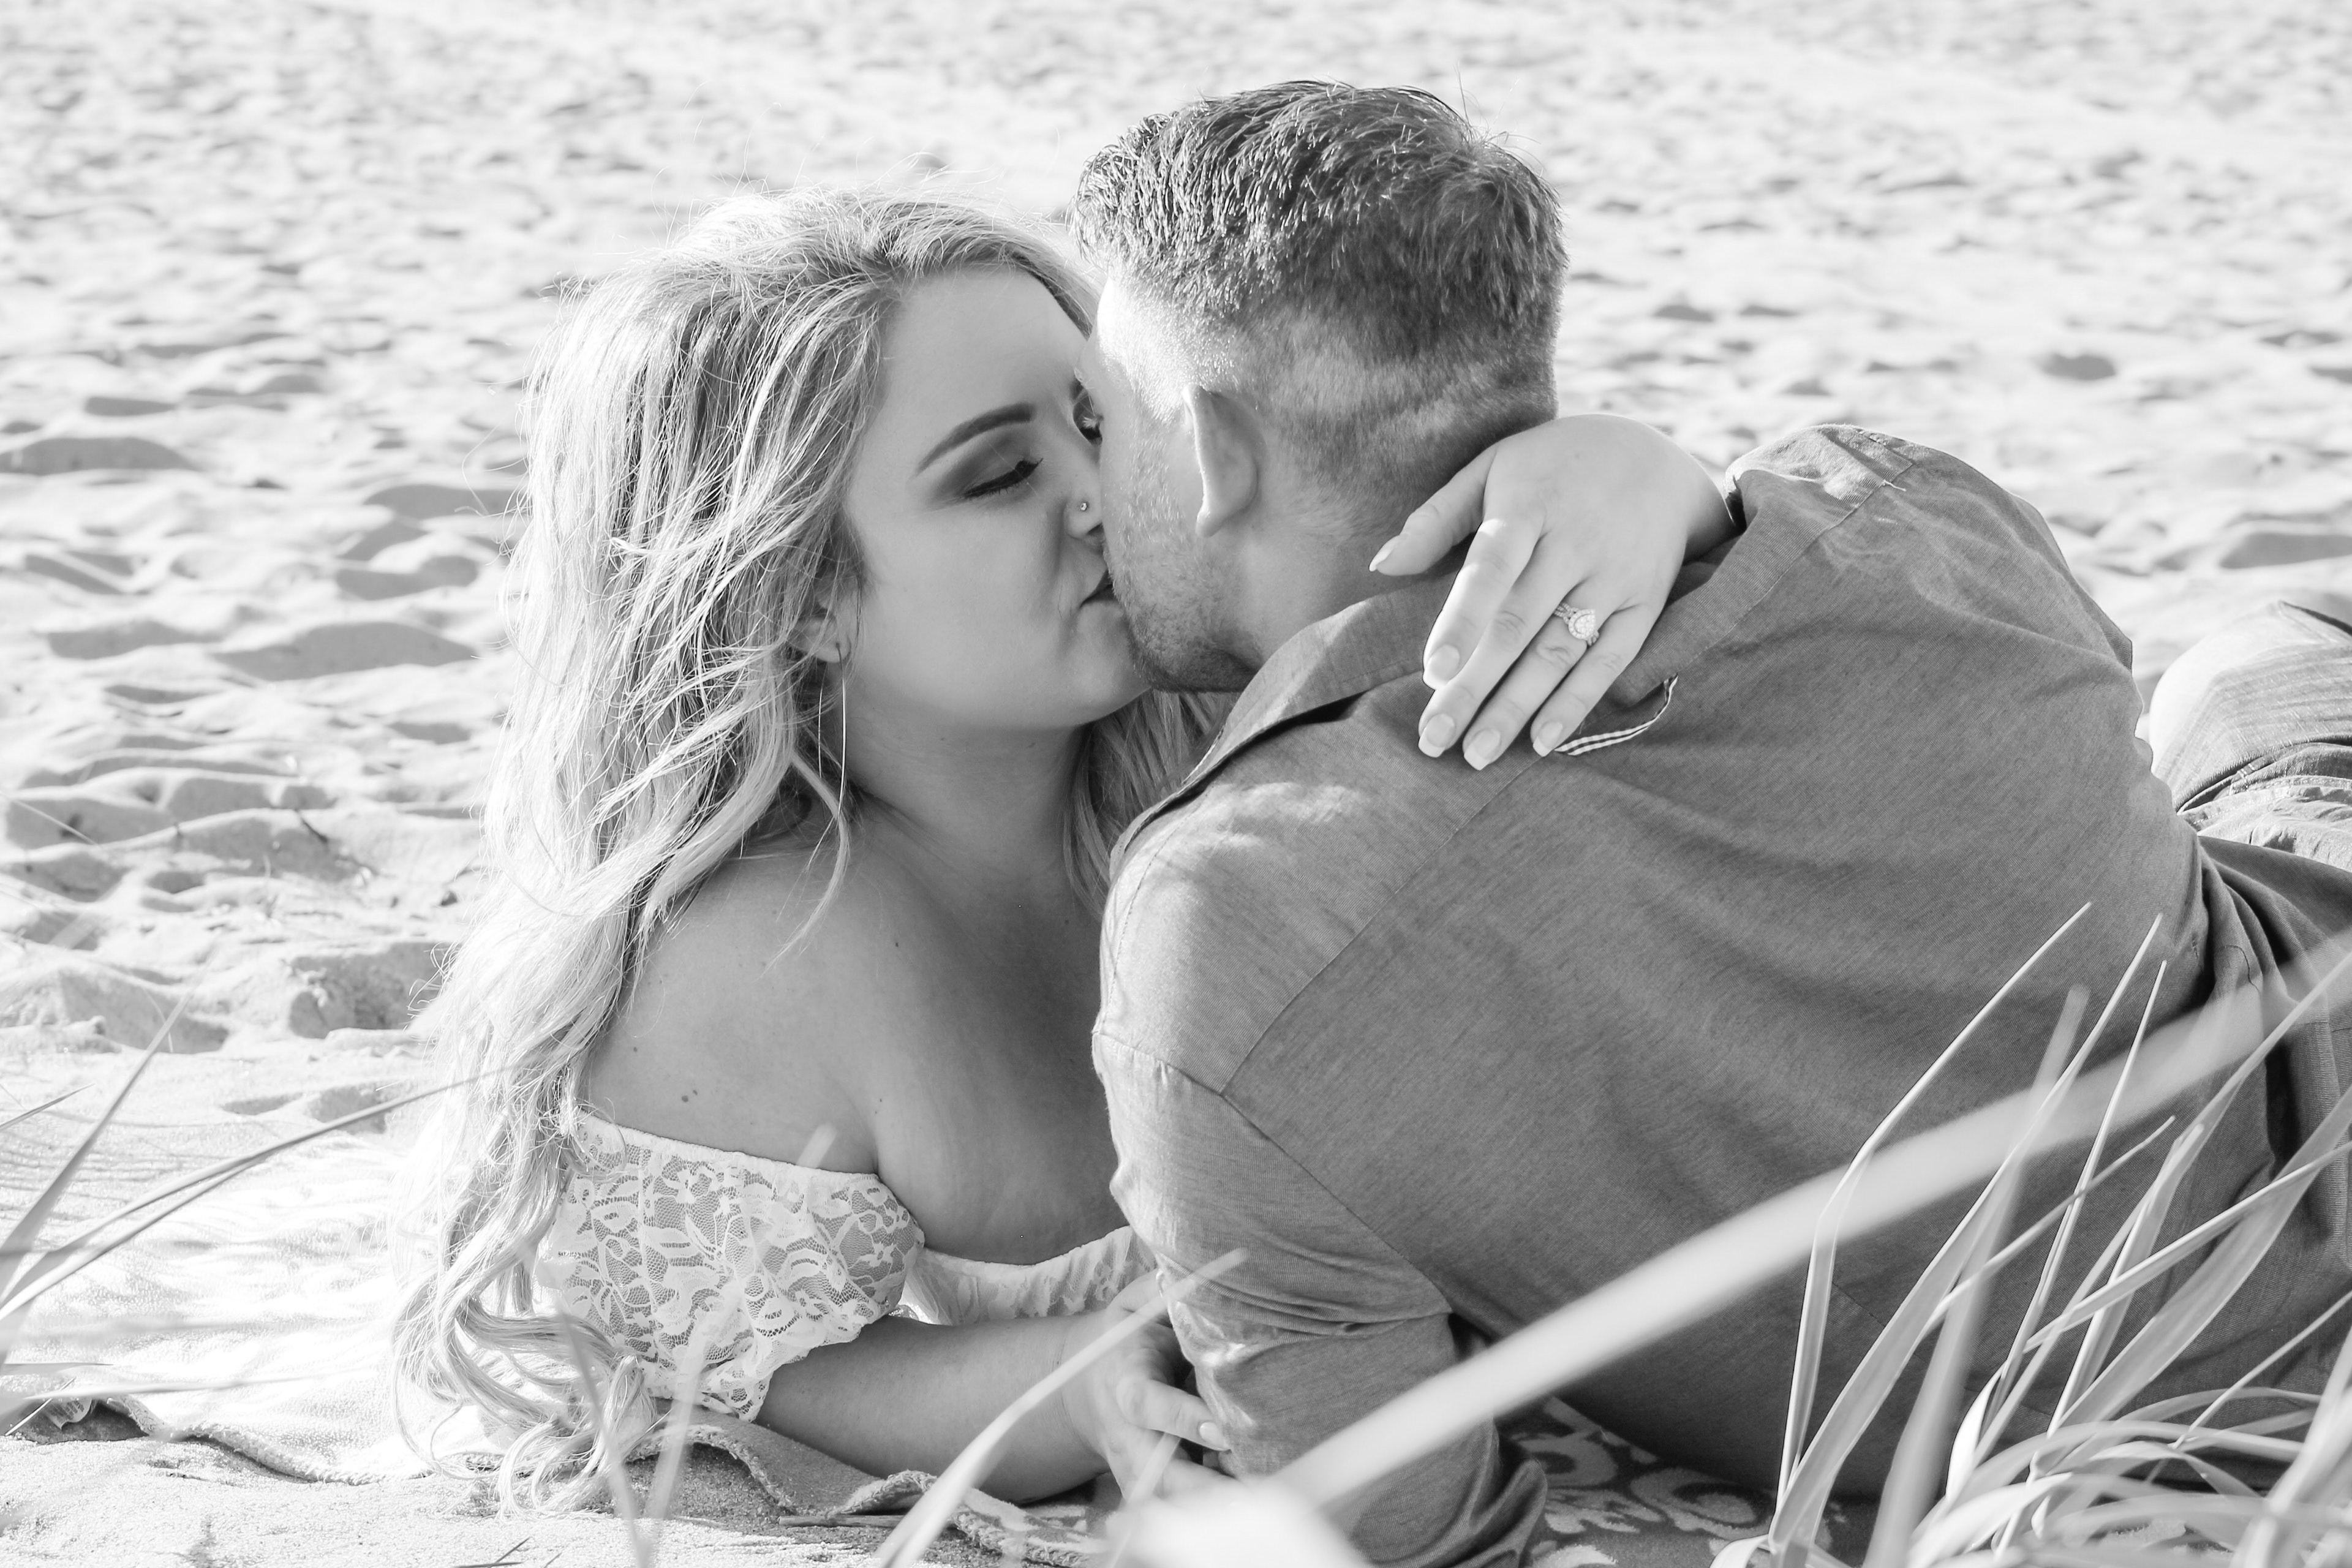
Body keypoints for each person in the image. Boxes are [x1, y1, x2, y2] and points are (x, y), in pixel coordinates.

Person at [1074, 80, 2352, 1566]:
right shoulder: (1911, 522)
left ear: (1216, 451)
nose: (1085, 490)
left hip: (2154, 1444)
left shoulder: (1233, 948)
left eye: (1104, 417)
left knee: (2253, 673)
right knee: (2261, 652)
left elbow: (1417, 1538)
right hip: (2299, 1050)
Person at [389, 185, 1733, 1506]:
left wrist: (1640, 479)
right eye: (999, 474)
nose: (1101, 493)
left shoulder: (1266, 702)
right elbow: (735, 1373)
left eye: (1106, 421)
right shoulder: (767, 958)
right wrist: (1076, 1383)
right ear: (799, 594)